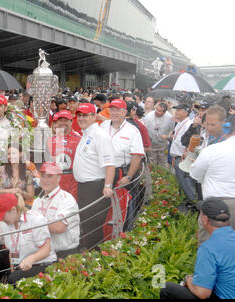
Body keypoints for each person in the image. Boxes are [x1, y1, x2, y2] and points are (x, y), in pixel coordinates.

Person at [160, 198, 235, 299]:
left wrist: (188, 279)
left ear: (205, 219)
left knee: (166, 288)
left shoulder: (208, 248)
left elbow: (202, 293)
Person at [73, 104, 116, 249]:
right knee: (86, 224)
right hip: (84, 187)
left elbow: (110, 164)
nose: (81, 118)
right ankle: (90, 257)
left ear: (93, 116)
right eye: (79, 115)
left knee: (93, 225)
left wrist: (108, 186)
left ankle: (96, 260)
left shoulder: (100, 135)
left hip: (95, 187)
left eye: (85, 115)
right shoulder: (86, 134)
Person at [0, 193, 57, 284]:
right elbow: (13, 251)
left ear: (13, 210)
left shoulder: (36, 220)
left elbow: (46, 250)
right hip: (22, 266)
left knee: (13, 279)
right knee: (8, 277)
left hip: (43, 264)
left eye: (2, 216)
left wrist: (31, 259)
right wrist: (13, 268)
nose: (1, 219)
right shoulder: (6, 225)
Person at [100, 99, 145, 231]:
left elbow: (137, 156)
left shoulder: (132, 131)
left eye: (118, 110)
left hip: (121, 173)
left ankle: (125, 233)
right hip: (102, 172)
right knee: (104, 206)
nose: (114, 113)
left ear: (125, 112)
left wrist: (129, 177)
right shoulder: (102, 126)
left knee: (123, 206)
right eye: (112, 110)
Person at [190, 114, 235, 245]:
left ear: (227, 129)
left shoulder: (213, 150)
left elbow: (195, 174)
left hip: (216, 206)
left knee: (210, 247)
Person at [31, 162, 80, 259]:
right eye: (43, 176)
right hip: (44, 253)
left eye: (50, 176)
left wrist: (34, 224)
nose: (45, 180)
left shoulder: (66, 199)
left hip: (65, 254)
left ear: (58, 178)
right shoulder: (37, 201)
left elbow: (59, 227)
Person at [47, 110, 82, 200]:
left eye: (66, 120)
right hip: (56, 180)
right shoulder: (50, 140)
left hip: (73, 181)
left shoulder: (79, 139)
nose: (63, 123)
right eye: (60, 120)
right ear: (56, 122)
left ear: (71, 121)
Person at [169, 104, 195, 208]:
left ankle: (194, 206)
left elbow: (188, 142)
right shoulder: (180, 123)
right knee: (181, 185)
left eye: (179, 110)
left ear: (186, 112)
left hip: (182, 159)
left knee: (187, 185)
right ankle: (186, 204)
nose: (176, 112)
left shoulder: (189, 124)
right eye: (176, 110)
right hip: (177, 158)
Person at [144, 102, 174, 168]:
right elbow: (144, 130)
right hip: (151, 142)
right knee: (152, 162)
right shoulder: (148, 117)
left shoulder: (169, 117)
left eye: (159, 111)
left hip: (163, 143)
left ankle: (163, 176)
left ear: (164, 112)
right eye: (156, 109)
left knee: (163, 162)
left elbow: (172, 130)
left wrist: (168, 136)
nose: (157, 112)